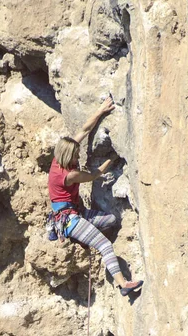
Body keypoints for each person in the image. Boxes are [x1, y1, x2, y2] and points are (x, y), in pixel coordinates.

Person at [48, 97, 143, 296]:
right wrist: (112, 159)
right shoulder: (69, 175)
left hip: (76, 212)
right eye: (75, 155)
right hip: (70, 221)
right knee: (105, 245)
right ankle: (122, 284)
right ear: (68, 157)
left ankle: (86, 238)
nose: (77, 157)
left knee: (110, 220)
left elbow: (83, 130)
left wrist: (100, 111)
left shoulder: (57, 161)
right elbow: (93, 175)